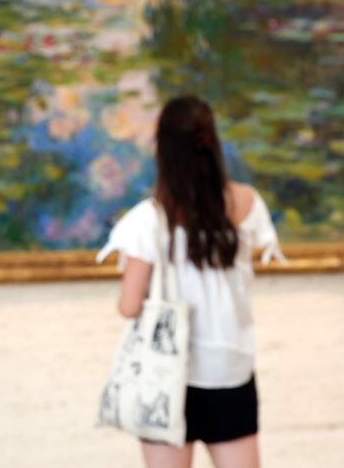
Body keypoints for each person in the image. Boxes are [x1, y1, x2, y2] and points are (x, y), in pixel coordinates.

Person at [97, 95, 284, 468]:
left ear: (163, 148)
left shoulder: (148, 219)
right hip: (230, 369)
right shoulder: (247, 203)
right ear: (210, 141)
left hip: (166, 375)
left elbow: (130, 306)